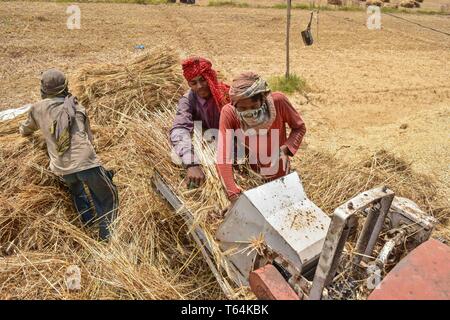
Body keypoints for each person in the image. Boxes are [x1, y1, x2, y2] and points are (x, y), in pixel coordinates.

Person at [19, 68, 118, 241]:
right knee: (107, 196)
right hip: (86, 163)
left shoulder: (36, 109)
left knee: (78, 193)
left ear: (43, 89)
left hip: (62, 168)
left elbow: (25, 130)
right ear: (65, 86)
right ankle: (107, 237)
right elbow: (89, 138)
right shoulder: (77, 106)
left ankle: (88, 225)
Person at [216, 72, 306, 202]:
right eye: (242, 108)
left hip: (280, 175)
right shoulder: (229, 112)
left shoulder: (278, 102)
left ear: (263, 98)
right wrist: (233, 193)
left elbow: (299, 127)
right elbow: (223, 156)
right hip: (251, 179)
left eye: (253, 106)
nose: (249, 112)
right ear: (234, 104)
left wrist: (286, 149)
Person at [170, 57, 229, 187]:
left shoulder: (225, 94)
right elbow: (179, 129)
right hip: (211, 144)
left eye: (203, 80)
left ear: (210, 77)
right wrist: (191, 164)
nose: (200, 86)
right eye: (193, 83)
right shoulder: (188, 100)